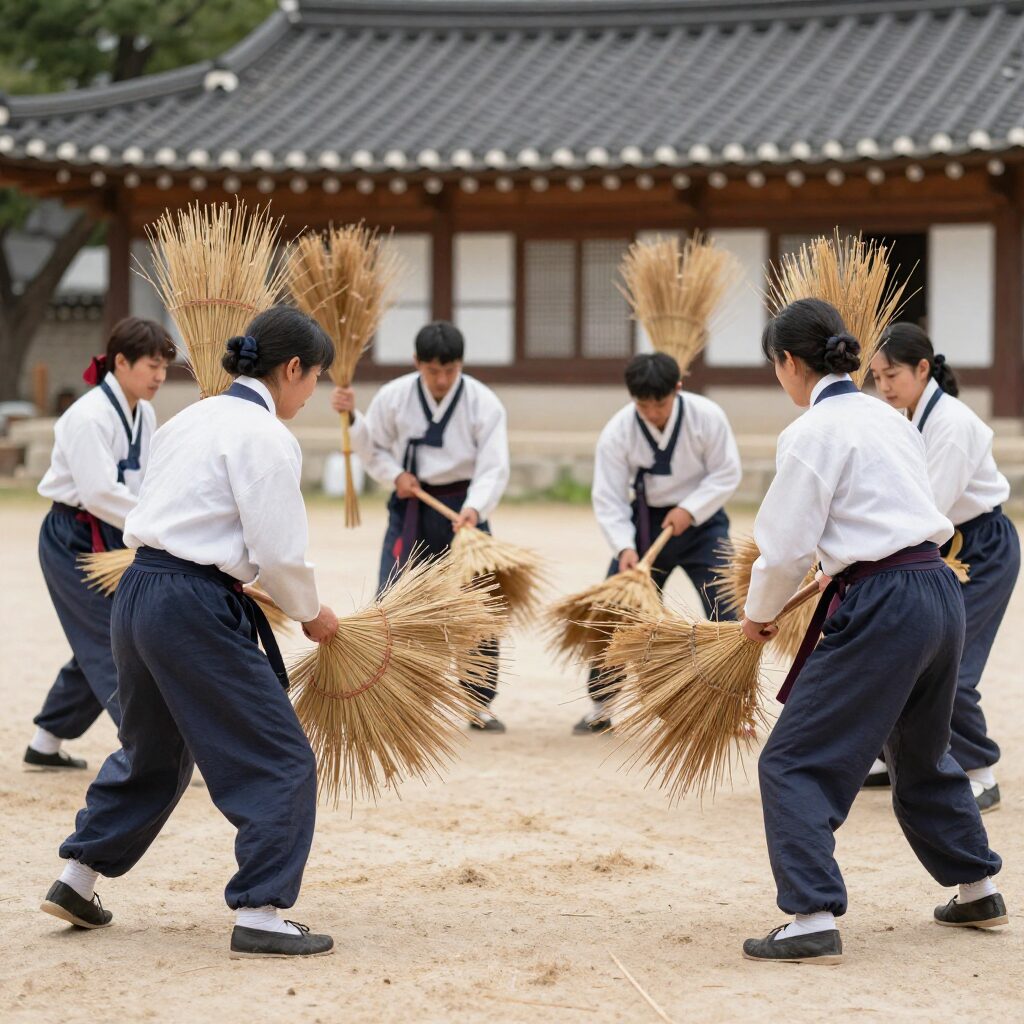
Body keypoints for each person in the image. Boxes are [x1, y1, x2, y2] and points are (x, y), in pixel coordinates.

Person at [41, 307, 339, 959]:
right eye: (314, 377)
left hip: (141, 590)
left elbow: (169, 512)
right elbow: (279, 550)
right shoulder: (264, 435)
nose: (311, 392)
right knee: (279, 756)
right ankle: (261, 911)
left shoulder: (190, 416)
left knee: (154, 750)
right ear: (292, 369)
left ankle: (78, 878)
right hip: (192, 604)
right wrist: (311, 611)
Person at [740, 298, 1005, 965]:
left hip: (884, 600)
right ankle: (977, 885)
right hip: (936, 589)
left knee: (792, 759)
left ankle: (810, 914)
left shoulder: (810, 433)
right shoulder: (889, 418)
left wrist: (757, 612)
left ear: (789, 362)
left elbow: (783, 548)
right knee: (920, 752)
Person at [867, 325, 1018, 812]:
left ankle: (980, 772)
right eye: (876, 376)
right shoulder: (901, 415)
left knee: (951, 666)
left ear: (923, 369)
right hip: (935, 545)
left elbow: (926, 510)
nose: (884, 385)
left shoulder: (952, 424)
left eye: (892, 374)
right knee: (902, 647)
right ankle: (901, 758)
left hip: (979, 548)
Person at [333, 320, 510, 732]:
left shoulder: (485, 403)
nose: (442, 380)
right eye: (433, 371)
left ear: (461, 365)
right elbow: (371, 444)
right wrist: (393, 472)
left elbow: (494, 466)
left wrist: (475, 508)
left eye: (450, 370)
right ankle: (395, 698)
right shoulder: (394, 397)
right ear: (417, 363)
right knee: (394, 600)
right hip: (410, 508)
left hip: (464, 514)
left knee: (477, 606)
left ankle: (478, 702)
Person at [27, 318, 175, 771]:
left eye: (164, 367)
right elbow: (97, 493)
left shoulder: (144, 413)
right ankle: (151, 753)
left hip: (116, 534)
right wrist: (156, 527)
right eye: (152, 366)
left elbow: (146, 478)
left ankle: (45, 743)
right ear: (121, 362)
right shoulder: (86, 417)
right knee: (115, 643)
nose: (160, 377)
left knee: (110, 636)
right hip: (72, 537)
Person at [576, 351, 741, 734]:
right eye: (643, 405)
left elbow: (726, 473)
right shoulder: (618, 432)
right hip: (643, 528)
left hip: (703, 524)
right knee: (614, 611)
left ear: (678, 390)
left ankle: (732, 706)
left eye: (660, 403)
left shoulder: (707, 417)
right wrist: (624, 548)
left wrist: (691, 509)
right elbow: (610, 497)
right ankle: (602, 704)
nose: (652, 413)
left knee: (728, 607)